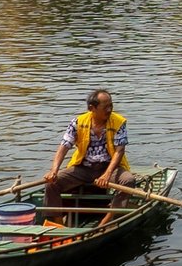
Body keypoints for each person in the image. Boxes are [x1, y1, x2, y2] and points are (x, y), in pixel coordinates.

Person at [44, 89, 139, 221]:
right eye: (105, 107)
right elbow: (64, 146)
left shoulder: (118, 122)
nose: (109, 109)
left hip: (109, 167)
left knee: (128, 181)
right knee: (51, 184)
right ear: (91, 108)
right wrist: (54, 170)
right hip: (83, 168)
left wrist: (107, 174)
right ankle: (57, 222)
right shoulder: (78, 122)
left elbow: (119, 151)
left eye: (111, 105)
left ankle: (107, 220)